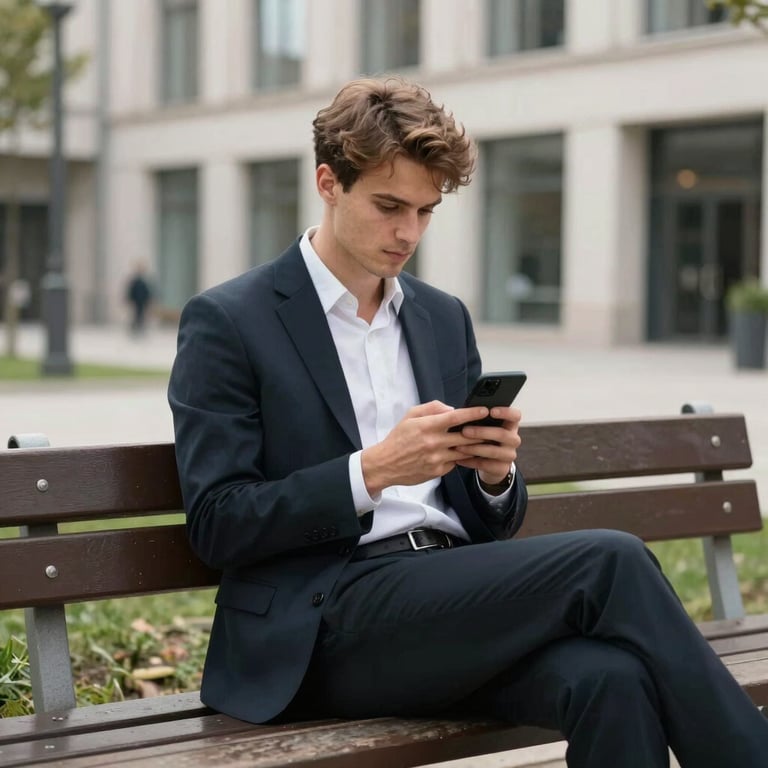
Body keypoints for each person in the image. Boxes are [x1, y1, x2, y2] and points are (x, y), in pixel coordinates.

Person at [168, 77, 768, 767]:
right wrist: (371, 472)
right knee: (611, 559)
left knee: (612, 680)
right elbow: (218, 521)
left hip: (450, 606)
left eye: (426, 212)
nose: (408, 233)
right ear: (329, 182)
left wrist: (492, 476)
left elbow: (490, 522)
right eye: (389, 206)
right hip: (323, 627)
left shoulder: (439, 316)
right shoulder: (230, 321)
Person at [125, 263, 153, 334]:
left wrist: (148, 300)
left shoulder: (144, 281)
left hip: (142, 302)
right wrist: (130, 299)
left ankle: (140, 328)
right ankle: (135, 328)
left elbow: (147, 292)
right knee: (136, 315)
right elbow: (131, 291)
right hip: (136, 301)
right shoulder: (135, 281)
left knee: (141, 315)